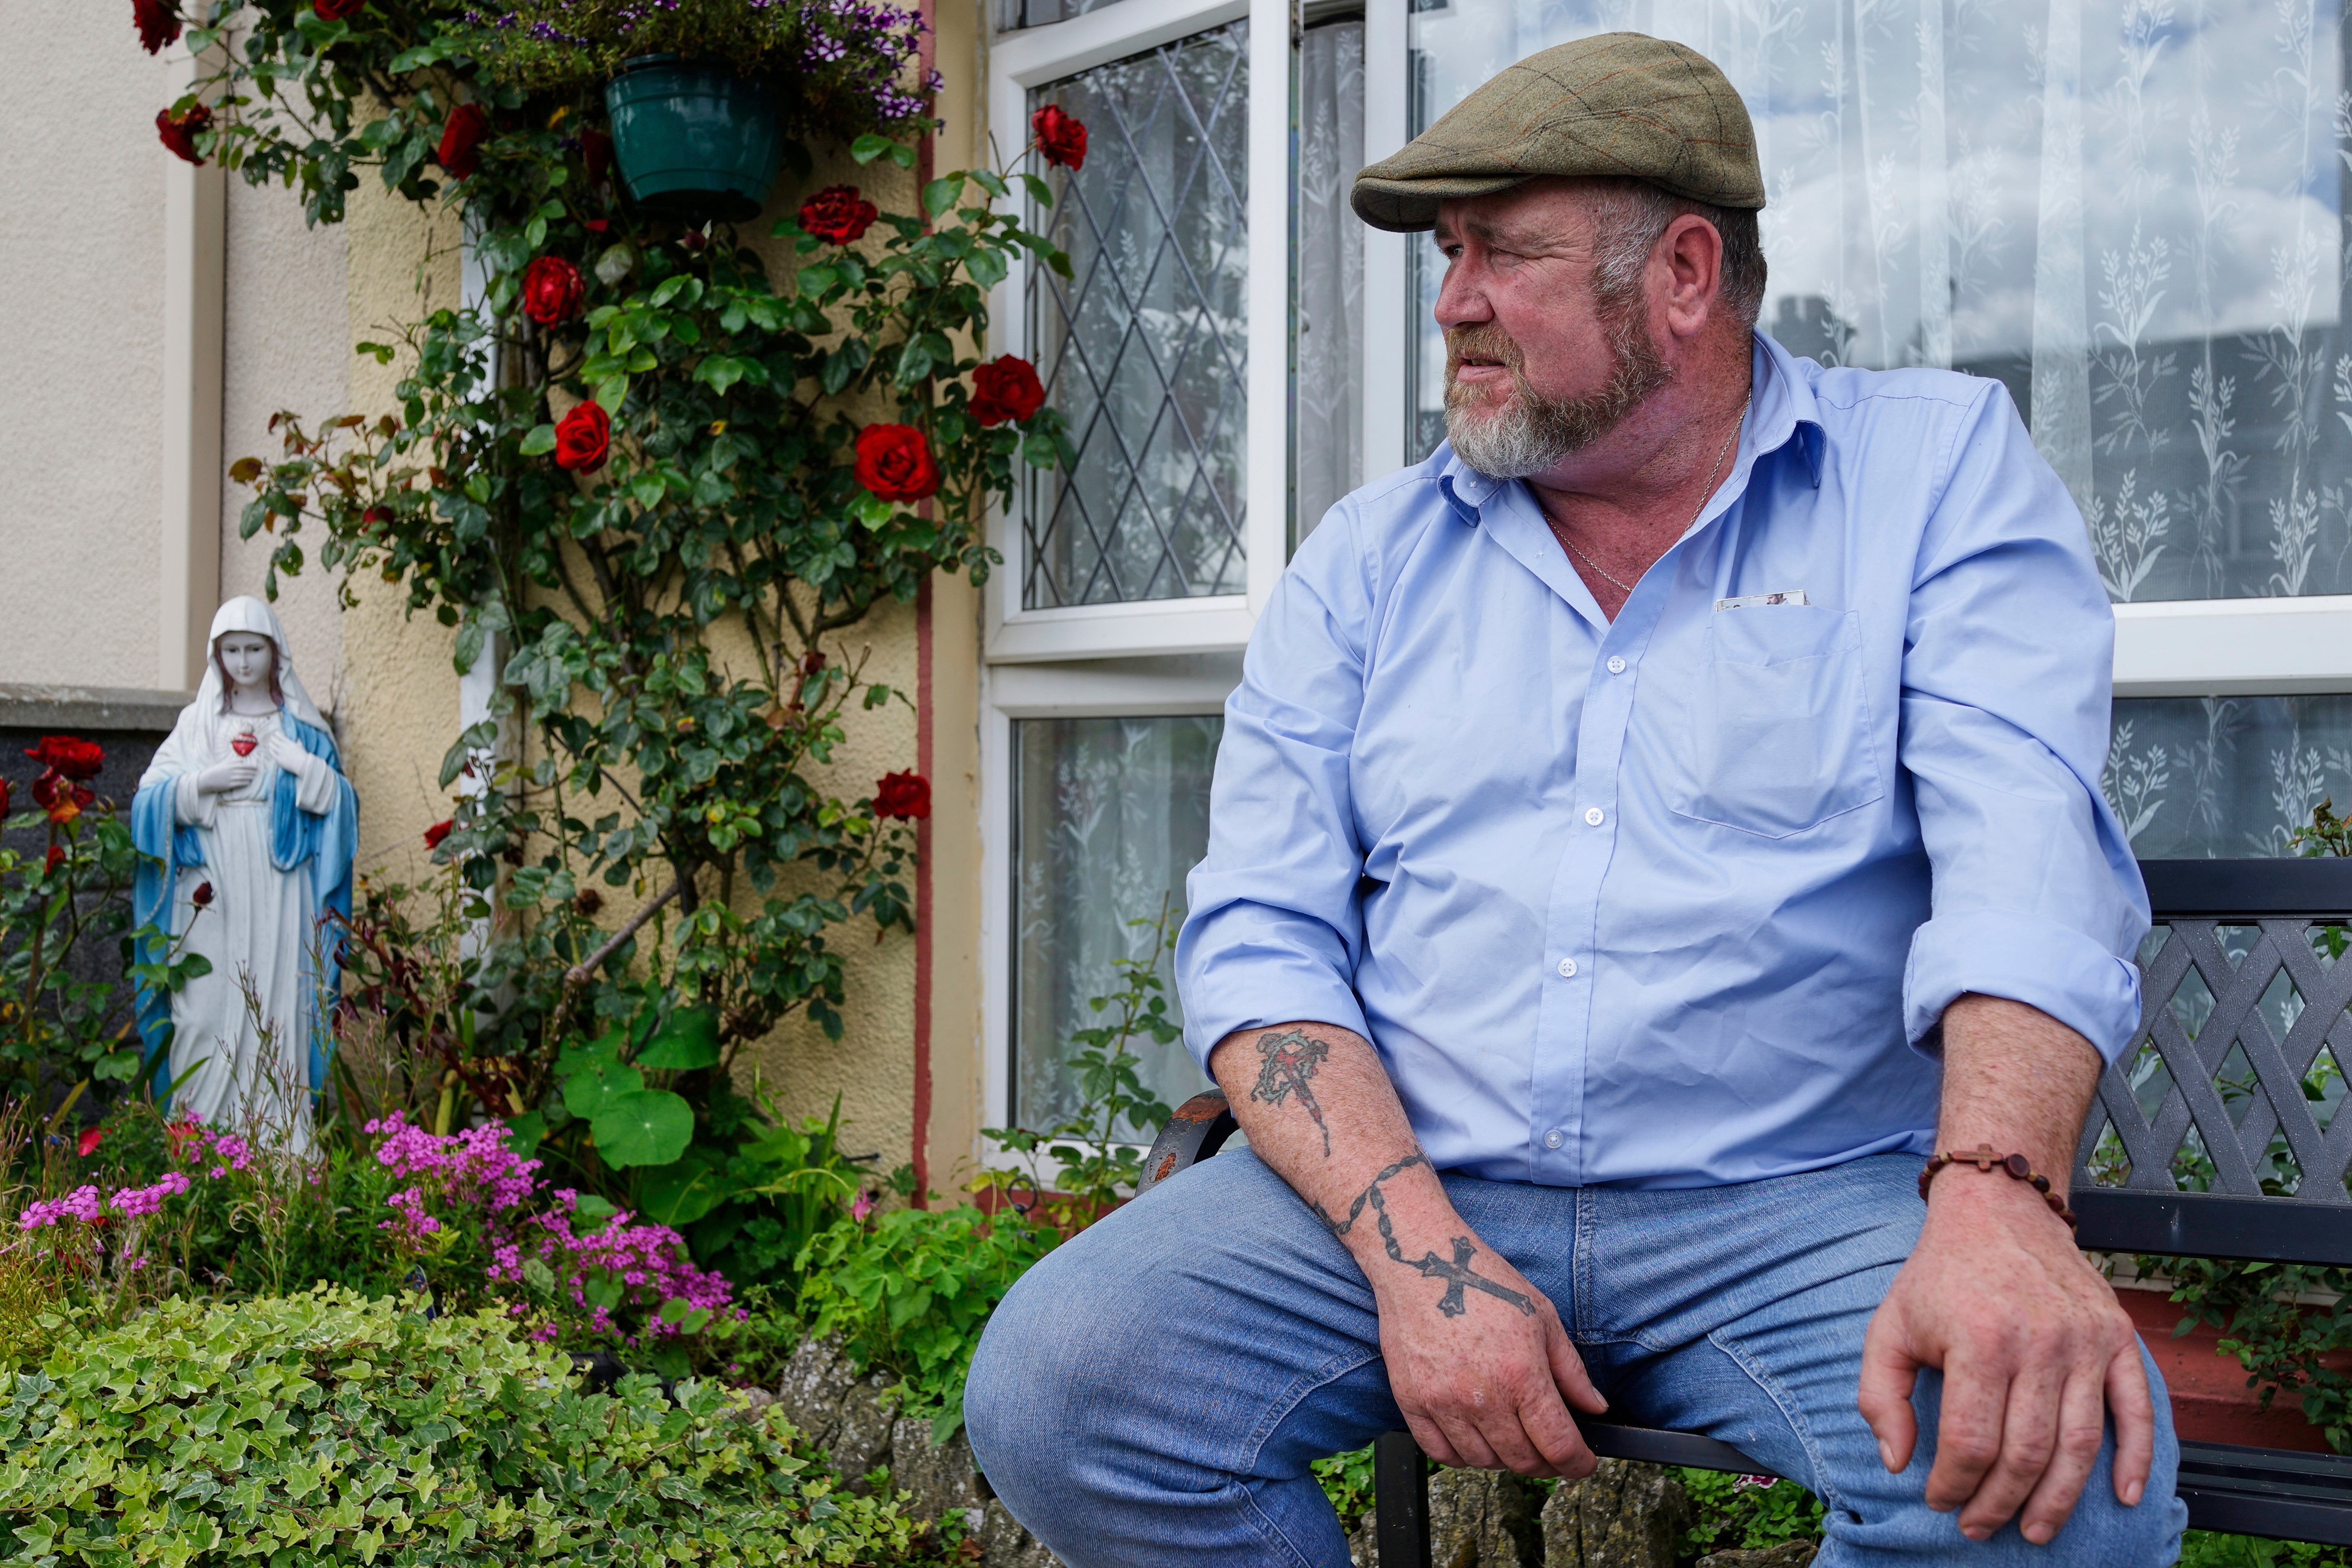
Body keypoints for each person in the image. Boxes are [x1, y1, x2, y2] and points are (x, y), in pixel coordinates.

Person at [963, 31, 2187, 1568]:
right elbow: (1263, 938)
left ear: (1681, 272)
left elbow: (2026, 870)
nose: (1451, 299)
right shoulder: (1367, 560)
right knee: (1066, 1387)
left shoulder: (1933, 479)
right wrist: (1416, 1259)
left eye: (1501, 251)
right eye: (1447, 252)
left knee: (2062, 1493)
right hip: (1406, 1183)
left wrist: (1998, 1200)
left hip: (1793, 1206)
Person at [134, 596, 357, 1144]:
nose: (243, 661)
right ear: (217, 656)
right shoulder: (198, 724)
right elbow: (147, 802)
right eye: (231, 650)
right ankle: (203, 1136)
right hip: (212, 880)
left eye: (253, 648)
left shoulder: (301, 728)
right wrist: (203, 783)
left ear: (274, 653)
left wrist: (304, 767)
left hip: (281, 882)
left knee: (280, 998)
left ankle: (281, 1142)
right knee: (203, 1004)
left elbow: (342, 808)